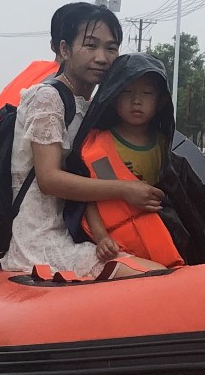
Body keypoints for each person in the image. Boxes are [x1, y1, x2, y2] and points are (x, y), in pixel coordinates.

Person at [4, 2, 169, 279]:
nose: (102, 57)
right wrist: (126, 190)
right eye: (91, 46)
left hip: (80, 231)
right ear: (64, 49)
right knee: (157, 276)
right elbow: (49, 180)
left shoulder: (93, 106)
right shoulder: (47, 98)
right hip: (40, 240)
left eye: (111, 47)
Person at [69, 56, 186, 270]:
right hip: (114, 242)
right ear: (113, 98)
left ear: (160, 102)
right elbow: (90, 199)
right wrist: (102, 238)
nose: (137, 101)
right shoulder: (98, 147)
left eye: (147, 93)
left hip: (155, 241)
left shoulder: (163, 146)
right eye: (127, 92)